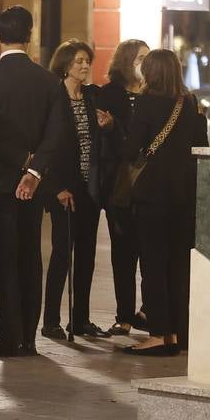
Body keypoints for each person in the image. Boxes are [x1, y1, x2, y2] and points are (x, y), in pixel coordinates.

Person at [0, 6, 75, 358]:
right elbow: (58, 131)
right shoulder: (49, 82)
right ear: (29, 37)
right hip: (34, 186)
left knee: (2, 259)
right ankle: (29, 337)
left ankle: (8, 335)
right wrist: (34, 171)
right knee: (30, 254)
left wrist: (20, 163)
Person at [118, 49, 208, 356]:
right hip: (183, 196)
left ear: (152, 73)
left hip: (153, 195)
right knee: (179, 265)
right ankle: (178, 334)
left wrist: (112, 130)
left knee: (154, 264)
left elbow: (131, 150)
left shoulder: (145, 103)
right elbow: (200, 146)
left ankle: (158, 334)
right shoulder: (189, 104)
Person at [41, 39, 106, 340]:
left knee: (87, 256)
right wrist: (56, 187)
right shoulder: (54, 99)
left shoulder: (91, 98)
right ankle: (51, 319)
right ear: (65, 64)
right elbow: (47, 148)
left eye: (86, 61)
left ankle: (80, 319)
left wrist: (110, 125)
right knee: (62, 254)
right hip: (63, 189)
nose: (84, 66)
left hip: (88, 189)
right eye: (78, 61)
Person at [92, 38, 150, 337]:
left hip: (150, 183)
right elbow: (105, 142)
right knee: (123, 250)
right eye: (140, 58)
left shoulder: (156, 93)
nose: (144, 63)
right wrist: (112, 130)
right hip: (119, 182)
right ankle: (124, 316)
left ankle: (147, 310)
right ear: (126, 61)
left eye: (148, 58)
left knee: (149, 250)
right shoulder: (110, 94)